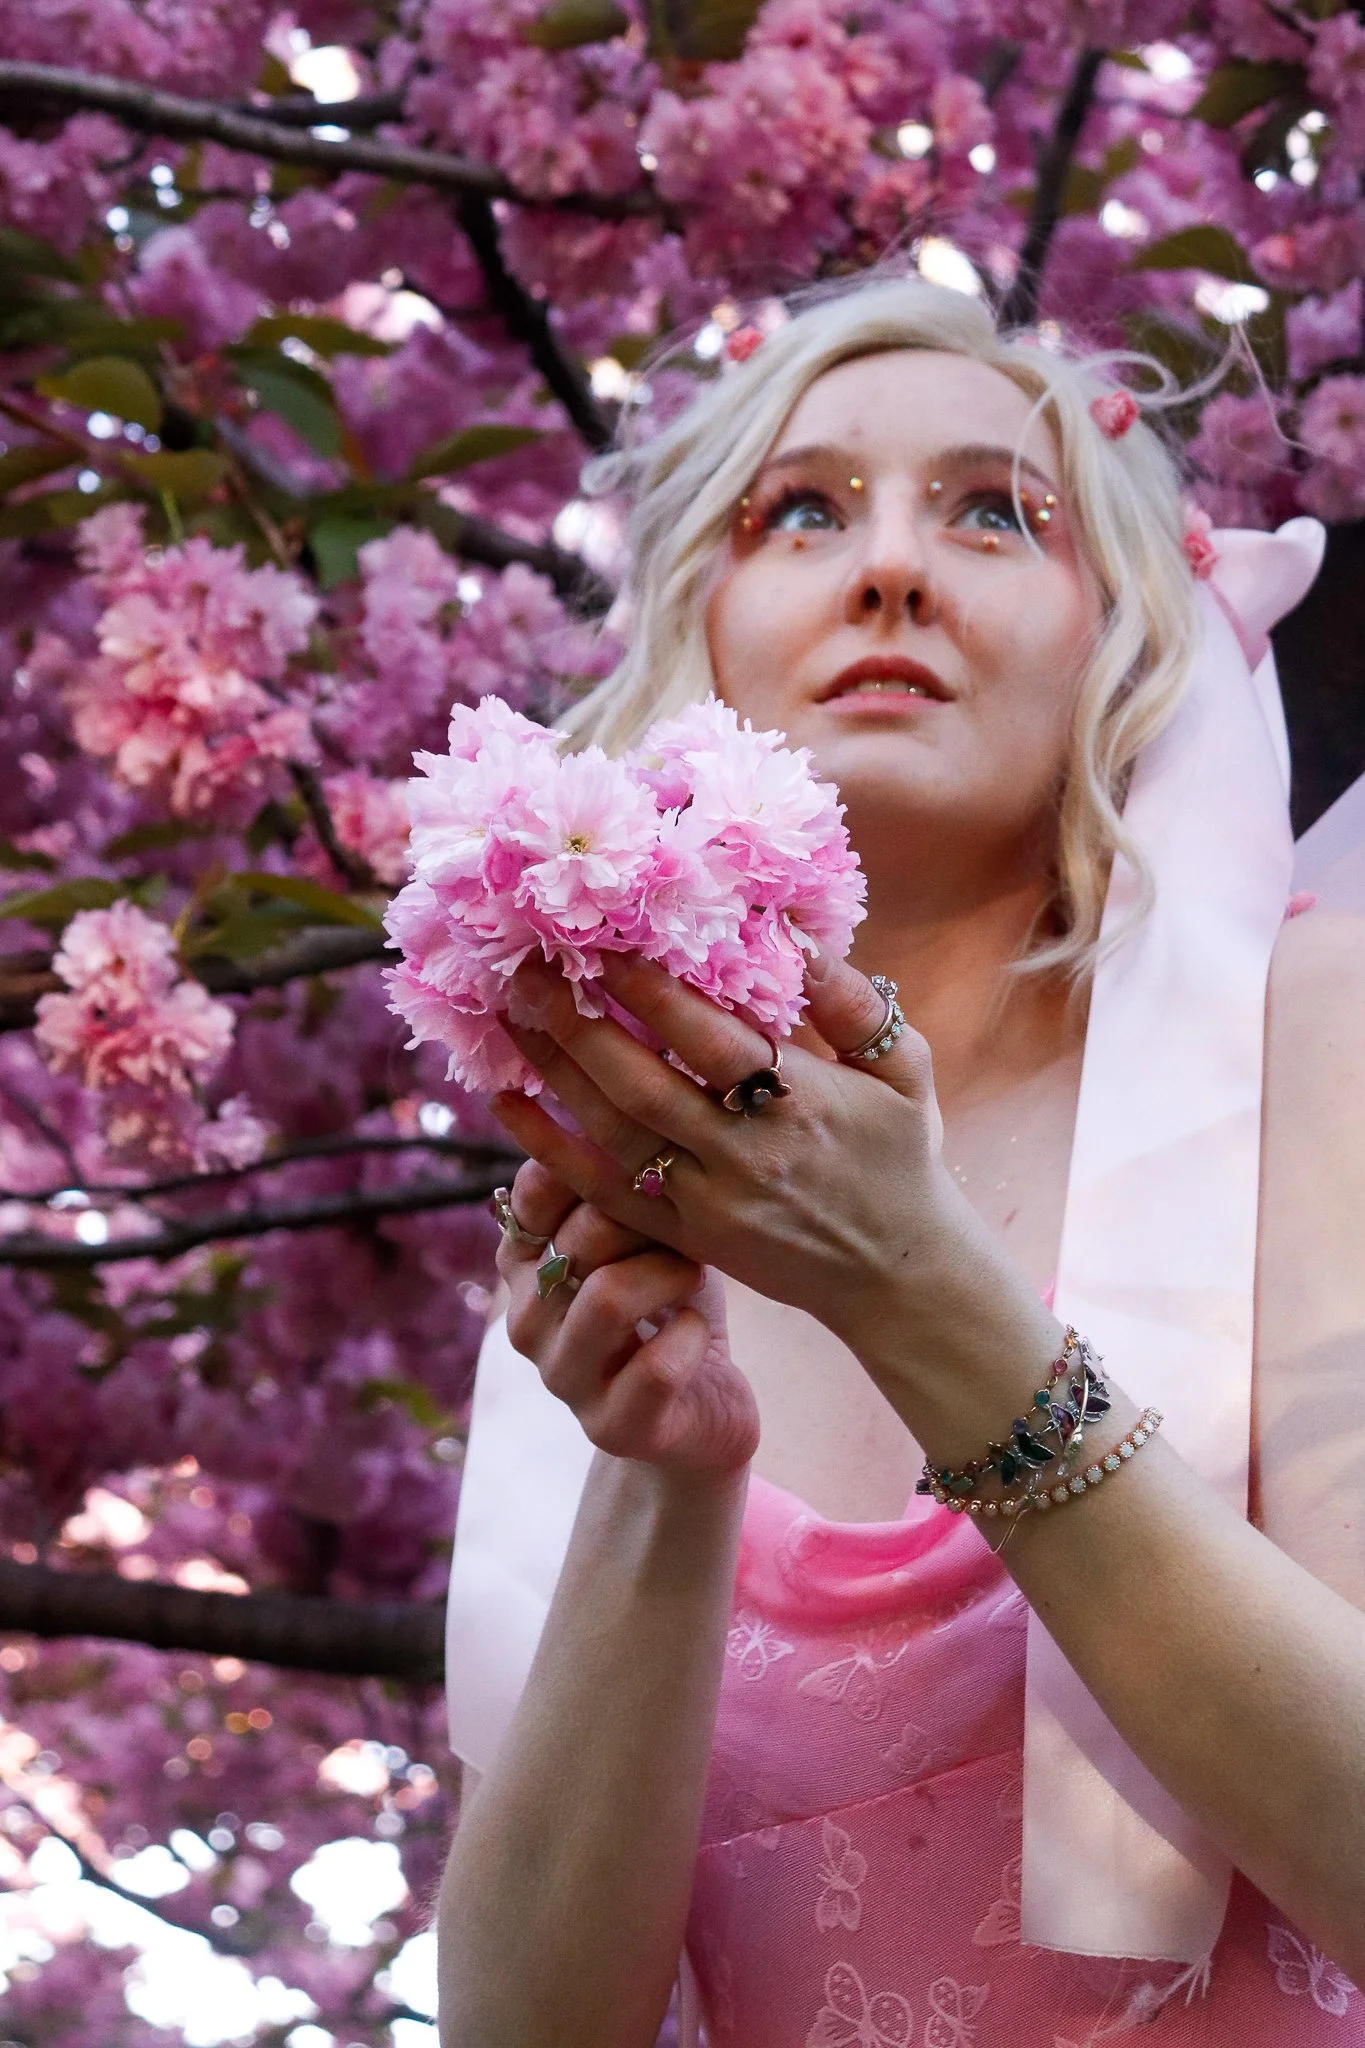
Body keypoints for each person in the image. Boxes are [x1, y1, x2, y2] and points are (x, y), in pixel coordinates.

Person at [432, 278, 1365, 2047]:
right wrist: (665, 1481)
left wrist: (916, 1289)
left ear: (1124, 634)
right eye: (803, 510)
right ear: (702, 631)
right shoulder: (618, 1188)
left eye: (995, 513)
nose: (890, 570)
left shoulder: (1314, 1030)